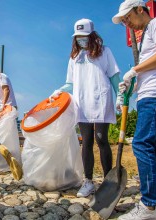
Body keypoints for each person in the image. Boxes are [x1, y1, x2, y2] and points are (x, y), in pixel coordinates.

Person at [112, 0, 156, 219]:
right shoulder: (147, 32)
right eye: (123, 23)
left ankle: (148, 206)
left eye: (127, 18)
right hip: (151, 93)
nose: (127, 24)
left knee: (141, 143)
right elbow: (152, 66)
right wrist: (131, 84)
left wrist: (134, 69)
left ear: (140, 9)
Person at [49, 18, 122, 198]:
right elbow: (70, 83)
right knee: (86, 141)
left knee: (102, 140)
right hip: (82, 104)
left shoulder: (105, 52)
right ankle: (88, 181)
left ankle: (108, 181)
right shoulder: (75, 58)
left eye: (84, 36)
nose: (81, 39)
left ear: (92, 36)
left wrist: (120, 96)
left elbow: (114, 77)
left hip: (101, 101)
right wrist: (59, 91)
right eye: (78, 37)